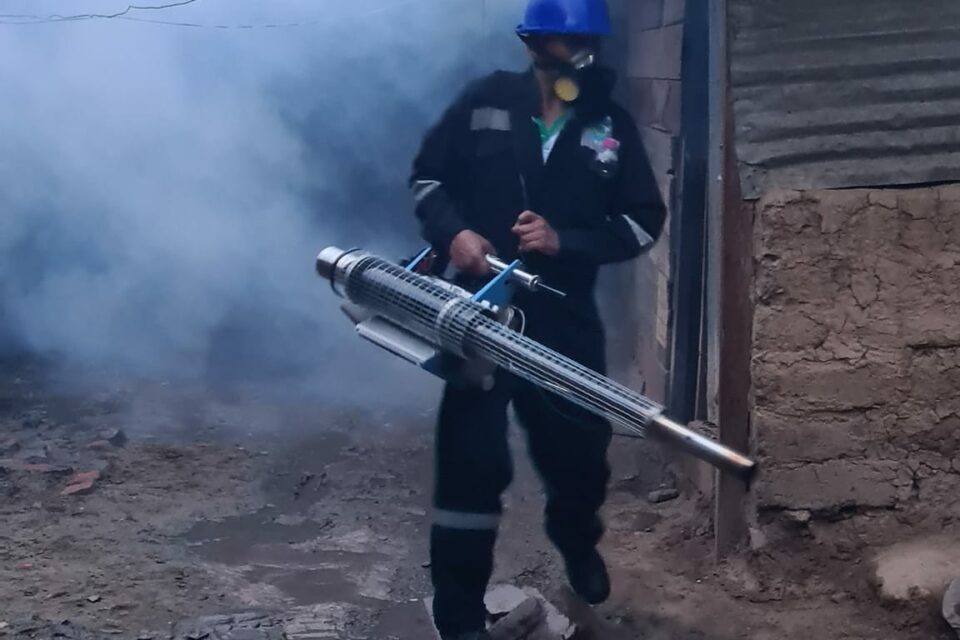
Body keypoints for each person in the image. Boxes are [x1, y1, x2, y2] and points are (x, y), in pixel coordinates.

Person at [409, 0, 666, 637]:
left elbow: (641, 221)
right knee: (470, 467)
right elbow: (427, 181)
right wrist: (454, 236)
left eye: (583, 47)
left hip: (563, 321)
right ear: (531, 42)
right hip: (478, 318)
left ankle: (576, 540)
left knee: (578, 457)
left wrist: (567, 241)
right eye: (557, 45)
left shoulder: (610, 129)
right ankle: (460, 612)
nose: (572, 60)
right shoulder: (485, 102)